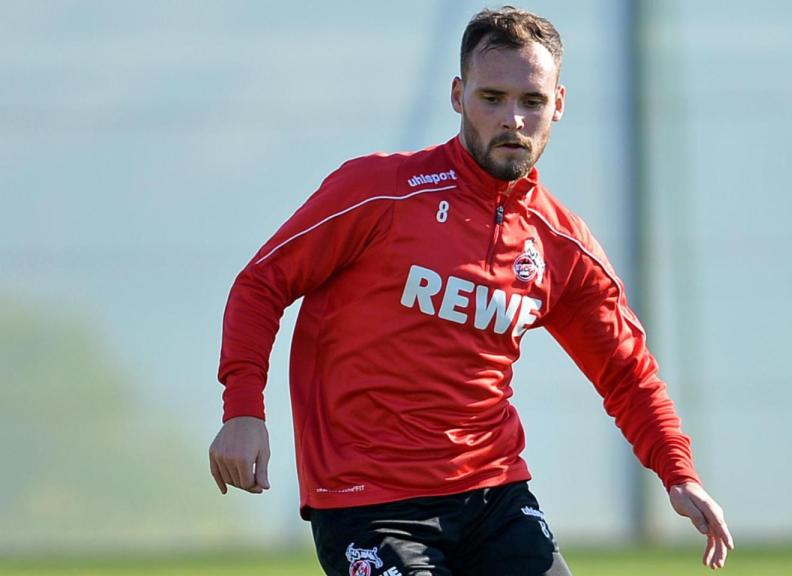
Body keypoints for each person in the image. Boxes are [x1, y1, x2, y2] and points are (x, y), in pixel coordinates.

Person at [209, 6, 733, 575]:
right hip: (370, 502)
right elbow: (262, 284)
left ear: (557, 104)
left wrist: (678, 473)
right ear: (458, 96)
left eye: (531, 101)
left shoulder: (560, 245)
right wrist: (243, 410)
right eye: (492, 98)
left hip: (493, 496)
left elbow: (627, 372)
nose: (513, 119)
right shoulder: (378, 192)